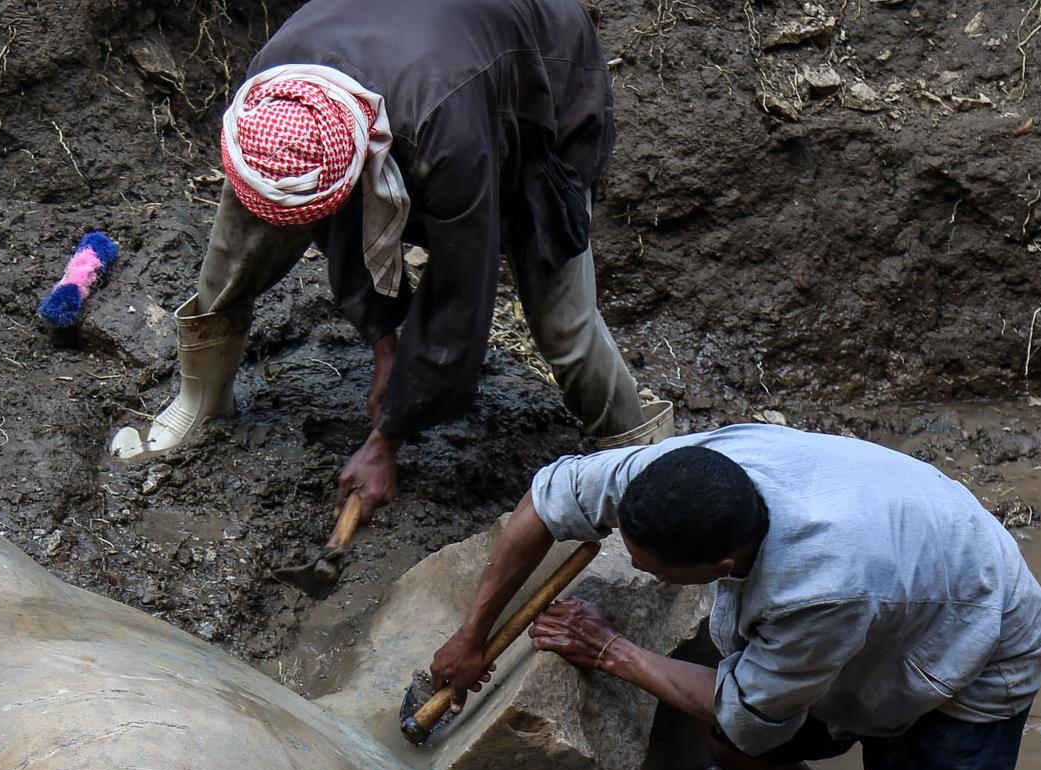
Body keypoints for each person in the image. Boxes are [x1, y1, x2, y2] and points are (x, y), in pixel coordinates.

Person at [428, 425, 1041, 770]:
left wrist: (610, 649)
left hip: (969, 651)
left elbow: (746, 712)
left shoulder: (819, 587)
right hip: (897, 575)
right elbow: (546, 499)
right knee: (740, 756)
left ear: (724, 564)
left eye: (657, 572)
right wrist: (471, 635)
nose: (645, 577)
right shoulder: (682, 470)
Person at [107, 0, 673, 512]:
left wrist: (387, 438)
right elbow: (334, 222)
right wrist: (384, 343)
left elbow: (461, 296)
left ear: (355, 164)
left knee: (561, 320)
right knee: (236, 248)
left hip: (527, 83)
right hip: (422, 60)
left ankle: (646, 464)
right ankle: (200, 398)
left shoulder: (447, 138)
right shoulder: (275, 87)